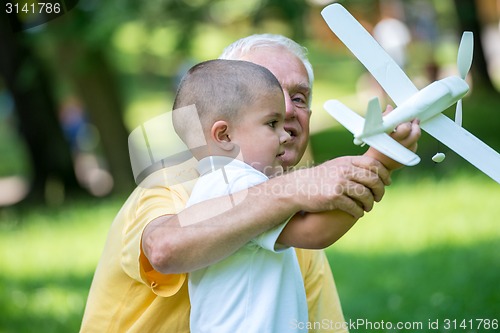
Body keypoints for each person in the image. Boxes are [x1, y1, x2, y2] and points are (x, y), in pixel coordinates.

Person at [80, 34, 420, 333]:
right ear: (222, 130)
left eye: (300, 98)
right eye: (269, 105)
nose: (288, 111)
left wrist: (376, 164)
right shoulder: (178, 186)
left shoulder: (290, 214)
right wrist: (376, 162)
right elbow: (164, 249)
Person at [173, 58, 381, 332]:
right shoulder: (237, 182)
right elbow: (315, 232)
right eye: (272, 124)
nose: (284, 136)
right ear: (224, 136)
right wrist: (379, 159)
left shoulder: (212, 186)